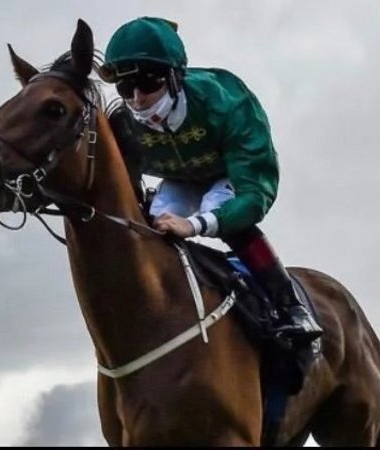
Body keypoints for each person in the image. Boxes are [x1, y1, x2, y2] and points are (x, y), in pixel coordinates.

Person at [99, 16, 323, 348]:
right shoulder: (122, 125)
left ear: (175, 77)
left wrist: (194, 225)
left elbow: (254, 196)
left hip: (230, 175)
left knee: (220, 214)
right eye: (125, 88)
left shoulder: (228, 102)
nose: (137, 99)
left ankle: (291, 306)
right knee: (151, 223)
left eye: (147, 83)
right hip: (179, 179)